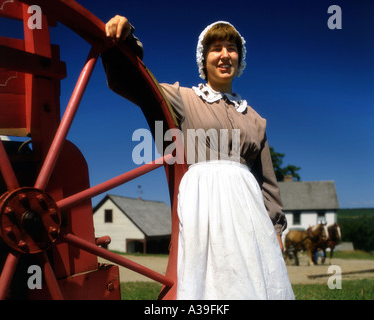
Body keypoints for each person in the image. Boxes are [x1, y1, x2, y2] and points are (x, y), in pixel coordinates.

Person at [103, 15, 295, 300]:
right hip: (203, 204)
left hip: (249, 212)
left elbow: (267, 182)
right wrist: (126, 40)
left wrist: (276, 229)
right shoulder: (184, 98)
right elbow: (132, 83)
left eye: (231, 48)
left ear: (239, 60)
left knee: (254, 282)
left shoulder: (255, 119)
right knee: (211, 285)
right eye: (216, 48)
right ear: (203, 59)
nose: (224, 54)